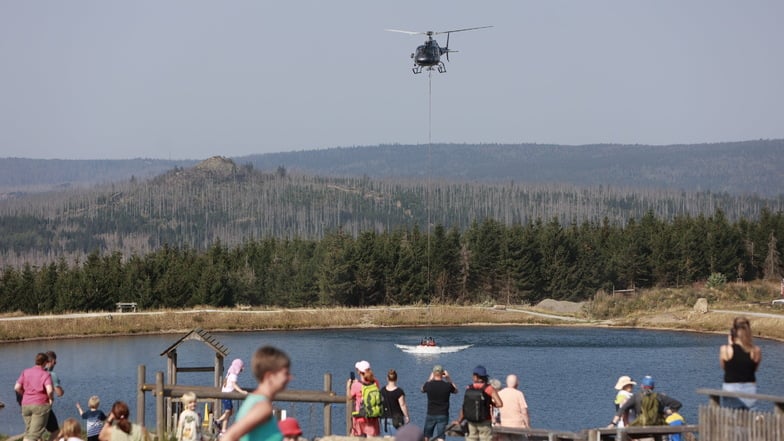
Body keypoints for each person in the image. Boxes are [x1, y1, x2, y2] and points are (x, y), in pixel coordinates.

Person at [221, 346, 292, 441]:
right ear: (269, 376)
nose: (290, 378)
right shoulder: (262, 406)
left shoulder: (255, 400)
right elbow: (229, 437)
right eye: (285, 373)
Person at [720, 316, 762, 409]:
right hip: (749, 388)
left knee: (731, 418)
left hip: (730, 388)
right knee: (749, 419)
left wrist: (731, 344)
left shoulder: (725, 350)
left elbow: (725, 368)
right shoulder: (756, 350)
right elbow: (754, 369)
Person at [610, 376, 682, 428]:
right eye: (631, 384)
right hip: (657, 425)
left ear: (642, 386)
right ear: (653, 387)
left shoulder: (636, 397)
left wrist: (613, 423)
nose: (632, 386)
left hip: (640, 425)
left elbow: (623, 409)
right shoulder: (660, 396)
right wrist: (666, 412)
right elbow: (677, 404)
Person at [454, 365, 503, 441]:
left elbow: (465, 406)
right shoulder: (488, 388)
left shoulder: (469, 388)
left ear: (475, 376)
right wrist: (491, 403)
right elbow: (500, 404)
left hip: (471, 421)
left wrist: (459, 420)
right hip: (485, 421)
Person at [14, 352, 54, 441]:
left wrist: (24, 394)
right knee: (33, 436)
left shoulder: (25, 372)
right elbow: (50, 390)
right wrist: (51, 399)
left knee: (29, 433)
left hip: (26, 405)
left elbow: (16, 387)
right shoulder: (45, 374)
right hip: (40, 405)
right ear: (45, 362)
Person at [421, 364, 457, 441]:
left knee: (426, 436)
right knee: (441, 437)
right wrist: (448, 378)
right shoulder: (447, 385)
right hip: (443, 414)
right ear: (442, 374)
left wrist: (430, 378)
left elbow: (422, 389)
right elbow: (456, 391)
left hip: (431, 413)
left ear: (433, 374)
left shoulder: (429, 385)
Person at [347, 360, 381, 436]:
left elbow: (349, 397)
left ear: (359, 372)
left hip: (360, 416)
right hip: (373, 416)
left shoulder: (356, 385)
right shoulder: (376, 382)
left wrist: (348, 386)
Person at [215, 358, 249, 433]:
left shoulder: (229, 372)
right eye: (240, 369)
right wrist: (241, 391)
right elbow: (234, 384)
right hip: (227, 395)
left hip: (225, 394)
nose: (241, 371)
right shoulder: (233, 375)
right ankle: (219, 422)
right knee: (228, 412)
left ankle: (222, 426)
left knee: (231, 412)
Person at [381, 369, 411, 433]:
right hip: (397, 420)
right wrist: (407, 416)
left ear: (387, 378)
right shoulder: (399, 392)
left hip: (384, 419)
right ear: (396, 378)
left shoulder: (382, 390)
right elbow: (402, 405)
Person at [45, 350, 65, 441]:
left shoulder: (35, 371)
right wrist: (61, 390)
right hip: (44, 407)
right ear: (52, 361)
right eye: (55, 362)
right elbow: (59, 393)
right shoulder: (51, 375)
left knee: (35, 433)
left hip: (28, 405)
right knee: (56, 431)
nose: (55, 364)